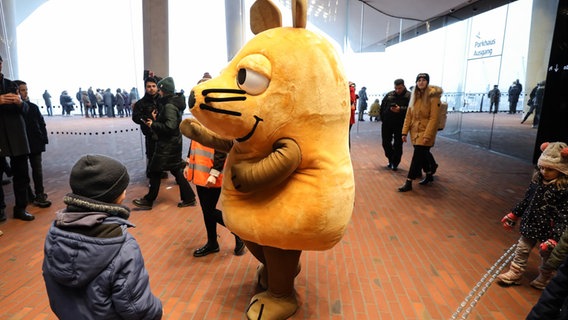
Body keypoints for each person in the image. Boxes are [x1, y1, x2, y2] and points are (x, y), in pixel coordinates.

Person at [42, 154, 163, 319]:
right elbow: (137, 309)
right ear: (115, 196)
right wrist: (157, 309)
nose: (125, 192)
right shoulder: (123, 247)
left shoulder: (55, 234)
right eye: (123, 187)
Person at [496, 142, 568, 290]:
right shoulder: (537, 182)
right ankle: (515, 273)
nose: (544, 172)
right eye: (542, 167)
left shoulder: (563, 190)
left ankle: (544, 278)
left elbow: (564, 216)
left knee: (547, 255)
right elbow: (526, 201)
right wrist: (513, 214)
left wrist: (554, 238)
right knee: (522, 248)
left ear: (562, 170)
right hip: (530, 224)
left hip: (550, 230)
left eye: (550, 169)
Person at [132, 77, 197, 209]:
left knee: (155, 170)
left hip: (167, 145)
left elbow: (170, 127)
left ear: (164, 90)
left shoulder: (169, 106)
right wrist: (157, 119)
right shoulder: (171, 103)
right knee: (175, 169)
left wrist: (153, 124)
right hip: (171, 144)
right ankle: (189, 198)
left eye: (159, 89)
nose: (157, 91)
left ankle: (149, 200)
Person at [0, 55, 35, 221]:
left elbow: (26, 110)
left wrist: (19, 102)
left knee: (22, 174)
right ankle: (0, 209)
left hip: (17, 136)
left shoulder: (11, 85)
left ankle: (20, 208)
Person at [398, 73, 443, 192]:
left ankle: (409, 181)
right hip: (415, 132)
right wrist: (404, 132)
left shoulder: (433, 98)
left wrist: (427, 135)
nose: (421, 82)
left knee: (417, 157)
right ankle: (429, 173)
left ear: (427, 82)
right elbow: (408, 116)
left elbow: (434, 118)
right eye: (419, 80)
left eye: (424, 80)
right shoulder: (415, 96)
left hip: (426, 132)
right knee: (422, 155)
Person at [15, 80, 51, 208]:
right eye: (22, 90)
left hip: (35, 143)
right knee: (22, 172)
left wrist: (44, 139)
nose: (25, 93)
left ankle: (40, 195)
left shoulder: (34, 107)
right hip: (20, 145)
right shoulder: (12, 110)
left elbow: (41, 123)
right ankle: (29, 195)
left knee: (37, 171)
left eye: (26, 90)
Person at [132, 76, 162, 178]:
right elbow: (136, 118)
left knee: (163, 154)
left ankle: (161, 172)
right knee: (151, 154)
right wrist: (149, 118)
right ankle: (152, 175)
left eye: (154, 86)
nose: (151, 88)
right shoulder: (140, 103)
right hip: (150, 133)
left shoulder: (163, 100)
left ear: (157, 87)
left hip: (163, 131)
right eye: (149, 86)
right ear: (145, 88)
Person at [381, 78, 411, 171]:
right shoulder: (389, 95)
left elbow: (412, 111)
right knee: (386, 143)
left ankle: (395, 163)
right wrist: (383, 118)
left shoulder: (409, 96)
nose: (397, 90)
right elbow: (382, 107)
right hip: (387, 123)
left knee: (398, 144)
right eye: (396, 88)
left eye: (400, 88)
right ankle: (390, 159)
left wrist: (400, 110)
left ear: (404, 86)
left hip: (400, 124)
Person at [348, 81, 357, 149]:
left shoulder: (350, 90)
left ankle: (347, 151)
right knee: (347, 135)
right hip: (351, 116)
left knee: (345, 136)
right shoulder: (353, 91)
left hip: (348, 116)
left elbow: (351, 101)